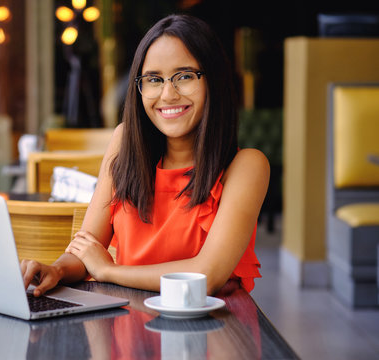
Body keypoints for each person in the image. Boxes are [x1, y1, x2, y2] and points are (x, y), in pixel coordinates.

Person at [21, 14, 270, 296]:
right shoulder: (124, 140)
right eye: (154, 79)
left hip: (211, 329)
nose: (167, 94)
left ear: (213, 80)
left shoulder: (247, 166)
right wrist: (57, 270)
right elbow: (88, 249)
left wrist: (109, 271)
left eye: (185, 76)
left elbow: (206, 276)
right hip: (129, 321)